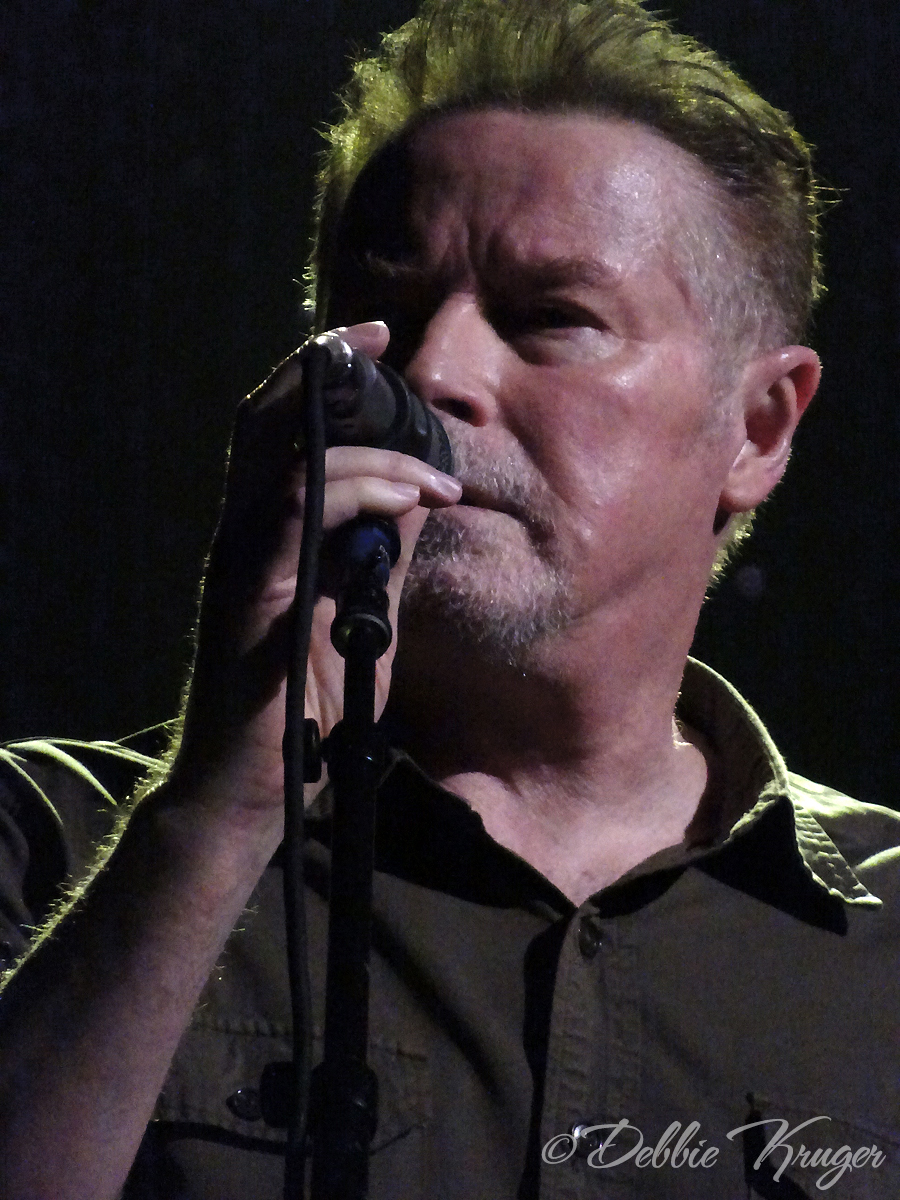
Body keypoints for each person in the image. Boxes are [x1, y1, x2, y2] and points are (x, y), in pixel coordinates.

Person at [1, 1, 898, 1197]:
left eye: (551, 318)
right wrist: (212, 823)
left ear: (759, 426)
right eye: (388, 312)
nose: (432, 373)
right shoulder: (49, 848)